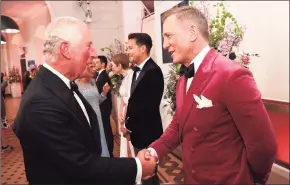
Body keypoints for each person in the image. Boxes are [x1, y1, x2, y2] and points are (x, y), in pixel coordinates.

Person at [142, 6, 278, 184]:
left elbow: (263, 145)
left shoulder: (232, 75)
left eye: (168, 36)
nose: (165, 45)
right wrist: (153, 151)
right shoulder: (183, 80)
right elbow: (178, 125)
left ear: (192, 33)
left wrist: (252, 179)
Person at [12, 16, 157, 184]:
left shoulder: (59, 86)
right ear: (65, 49)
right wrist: (138, 167)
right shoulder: (41, 102)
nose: (93, 53)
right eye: (88, 45)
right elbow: (78, 166)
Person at [123, 33, 164, 185]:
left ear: (142, 48)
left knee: (148, 173)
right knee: (143, 173)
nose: (127, 51)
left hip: (148, 133)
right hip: (137, 132)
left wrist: (128, 126)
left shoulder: (153, 71)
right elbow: (134, 101)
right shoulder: (136, 71)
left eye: (130, 48)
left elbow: (147, 108)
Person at [76, 56, 112, 157]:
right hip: (87, 119)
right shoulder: (76, 84)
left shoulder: (93, 81)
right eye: (91, 66)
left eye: (93, 66)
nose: (93, 68)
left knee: (101, 142)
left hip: (98, 117)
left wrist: (104, 93)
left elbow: (97, 101)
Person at [110, 53, 135, 158]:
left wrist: (124, 114)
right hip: (124, 111)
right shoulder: (124, 77)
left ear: (119, 65)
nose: (111, 68)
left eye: (113, 65)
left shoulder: (131, 76)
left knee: (131, 143)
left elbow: (131, 99)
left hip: (129, 112)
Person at [94, 55, 114, 156]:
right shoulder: (99, 75)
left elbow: (101, 92)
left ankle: (109, 150)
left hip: (104, 107)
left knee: (106, 130)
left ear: (103, 64)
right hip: (102, 106)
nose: (94, 64)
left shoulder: (104, 76)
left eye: (97, 62)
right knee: (105, 129)